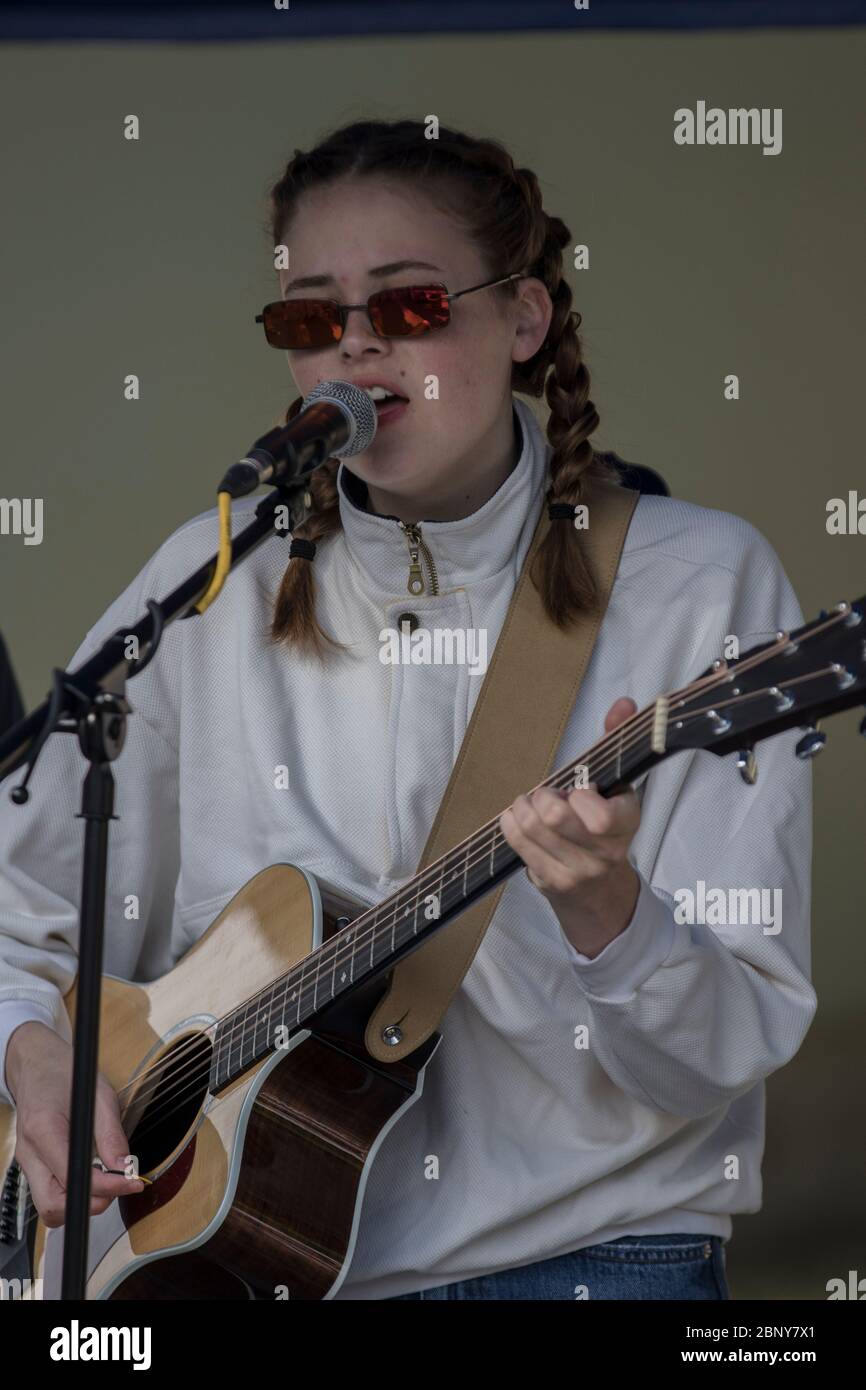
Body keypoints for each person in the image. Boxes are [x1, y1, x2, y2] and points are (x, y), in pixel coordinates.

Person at [0, 118, 814, 1301]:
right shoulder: (207, 583)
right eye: (310, 317)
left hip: (593, 1261)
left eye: (411, 305)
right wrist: (33, 1055)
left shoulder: (697, 583)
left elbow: (718, 1054)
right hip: (239, 1264)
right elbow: (21, 906)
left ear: (524, 319)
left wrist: (605, 911)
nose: (357, 346)